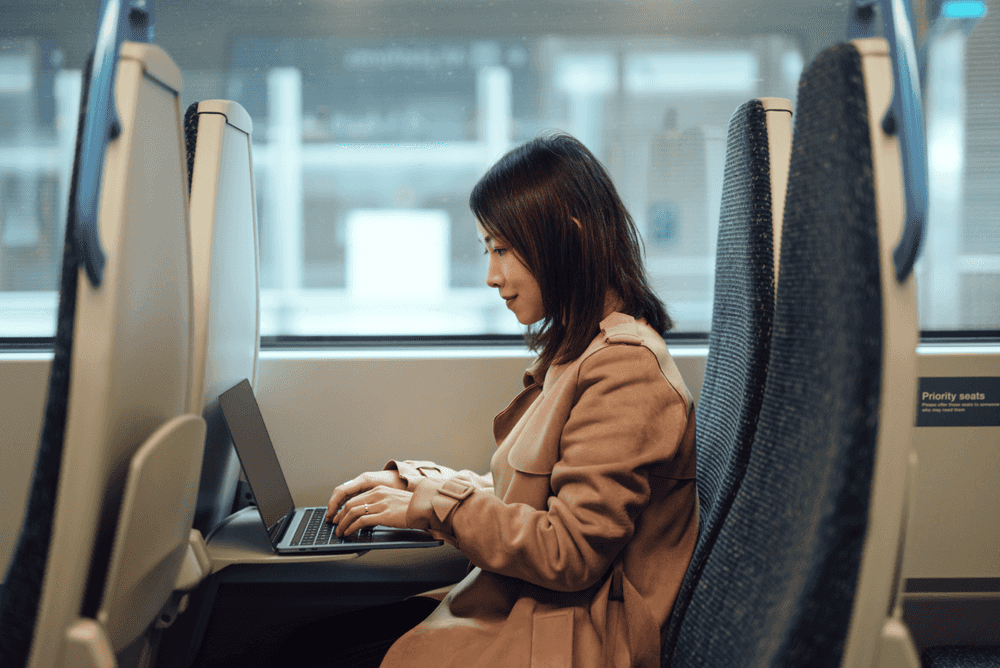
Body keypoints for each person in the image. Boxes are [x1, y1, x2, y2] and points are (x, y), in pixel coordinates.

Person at [324, 132, 698, 668]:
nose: (492, 275)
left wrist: (433, 504)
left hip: (576, 636)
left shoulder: (625, 369)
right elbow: (528, 499)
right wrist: (415, 487)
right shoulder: (580, 351)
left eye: (502, 249)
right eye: (487, 250)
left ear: (565, 239)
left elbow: (568, 550)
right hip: (538, 610)